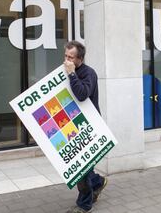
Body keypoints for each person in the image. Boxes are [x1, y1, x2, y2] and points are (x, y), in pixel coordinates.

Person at [63, 40, 108, 213]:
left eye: (71, 57)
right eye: (66, 56)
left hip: (89, 126)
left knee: (80, 169)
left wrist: (73, 75)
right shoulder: (66, 71)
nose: (67, 60)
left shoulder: (89, 73)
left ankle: (84, 205)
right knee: (83, 166)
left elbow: (82, 94)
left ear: (79, 58)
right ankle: (98, 182)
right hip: (72, 125)